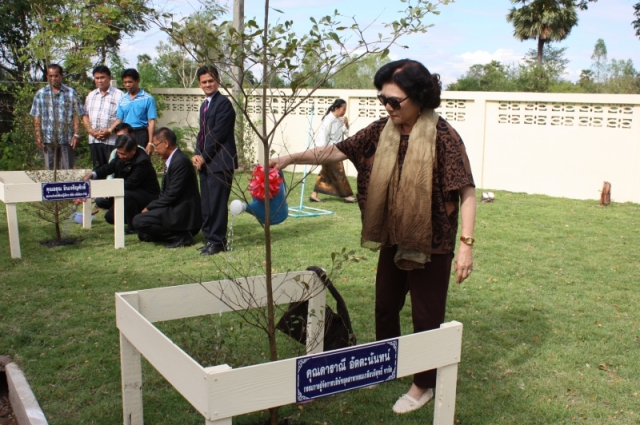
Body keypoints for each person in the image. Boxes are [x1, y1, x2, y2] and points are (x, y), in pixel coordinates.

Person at [270, 59, 476, 414]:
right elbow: (337, 150)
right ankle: (386, 363)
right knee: (385, 307)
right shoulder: (382, 130)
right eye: (383, 99)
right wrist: (290, 158)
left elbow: (467, 191)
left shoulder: (444, 136)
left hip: (432, 242)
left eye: (394, 101)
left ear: (419, 97)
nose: (387, 107)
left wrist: (466, 247)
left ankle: (423, 384)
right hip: (393, 237)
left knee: (427, 317)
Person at [191, 66, 237, 256]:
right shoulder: (205, 105)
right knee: (207, 203)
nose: (208, 84)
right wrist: (197, 153)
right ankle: (211, 238)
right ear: (199, 84)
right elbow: (202, 133)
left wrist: (204, 156)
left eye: (211, 80)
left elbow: (218, 135)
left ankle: (217, 241)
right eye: (204, 82)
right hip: (206, 162)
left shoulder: (224, 104)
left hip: (220, 162)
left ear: (218, 81)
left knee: (217, 204)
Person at [132, 128, 202, 248]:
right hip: (172, 208)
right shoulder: (174, 160)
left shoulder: (180, 161)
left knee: (139, 221)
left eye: (156, 145)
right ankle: (174, 233)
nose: (155, 150)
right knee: (143, 234)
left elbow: (172, 194)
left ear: (165, 143)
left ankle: (181, 236)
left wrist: (150, 207)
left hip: (181, 213)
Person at [83, 134, 160, 233]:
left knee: (126, 194)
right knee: (107, 212)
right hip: (128, 192)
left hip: (146, 195)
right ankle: (137, 216)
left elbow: (130, 184)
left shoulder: (142, 161)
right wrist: (93, 174)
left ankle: (134, 227)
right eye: (119, 153)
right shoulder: (119, 156)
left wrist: (109, 191)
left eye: (123, 154)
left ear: (133, 150)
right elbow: (109, 167)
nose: (120, 156)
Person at [30, 63, 84, 170]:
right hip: (48, 138)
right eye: (50, 76)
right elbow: (37, 116)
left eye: (56, 76)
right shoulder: (40, 94)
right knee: (50, 170)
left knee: (67, 170)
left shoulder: (71, 93)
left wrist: (76, 134)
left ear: (61, 75)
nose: (53, 78)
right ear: (47, 76)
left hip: (67, 138)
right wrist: (38, 135)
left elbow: (77, 115)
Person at [309, 99, 356, 203]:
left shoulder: (339, 120)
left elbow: (346, 132)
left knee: (325, 173)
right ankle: (347, 196)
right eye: (344, 109)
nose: (345, 111)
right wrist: (323, 151)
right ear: (337, 108)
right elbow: (323, 136)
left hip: (336, 149)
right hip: (328, 150)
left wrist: (346, 123)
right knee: (339, 171)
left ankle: (314, 195)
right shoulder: (328, 120)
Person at [82, 65, 124, 168]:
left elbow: (121, 117)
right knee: (98, 170)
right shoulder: (91, 95)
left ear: (109, 78)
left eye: (102, 77)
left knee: (113, 169)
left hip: (112, 141)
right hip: (94, 140)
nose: (100, 81)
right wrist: (92, 132)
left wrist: (109, 131)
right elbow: (85, 115)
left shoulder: (120, 95)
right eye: (97, 78)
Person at [108, 69, 157, 153]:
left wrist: (150, 142)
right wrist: (109, 130)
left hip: (141, 134)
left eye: (130, 82)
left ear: (137, 80)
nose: (127, 85)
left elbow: (151, 121)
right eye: (125, 82)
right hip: (126, 134)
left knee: (141, 158)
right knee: (125, 157)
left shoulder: (148, 98)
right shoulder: (122, 99)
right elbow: (119, 119)